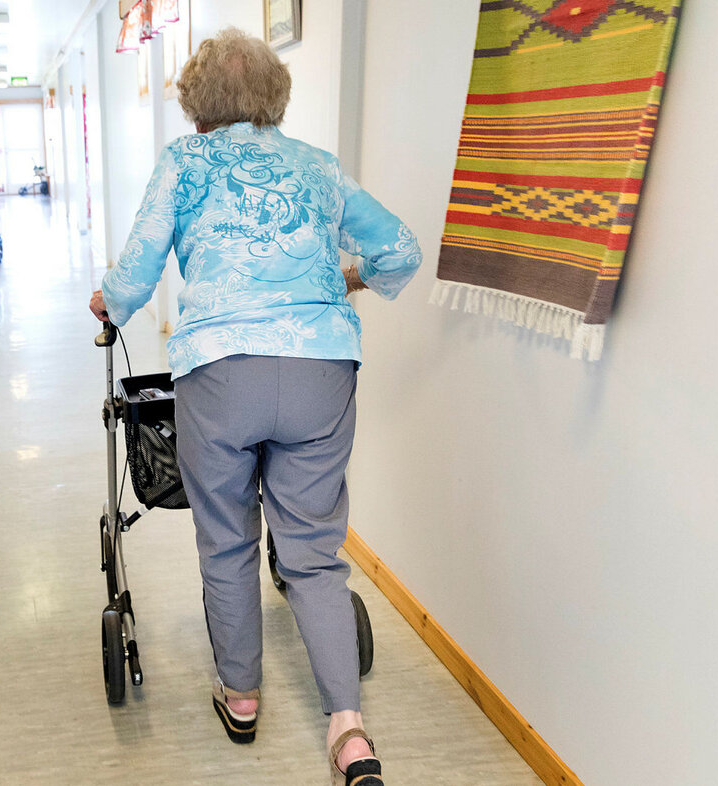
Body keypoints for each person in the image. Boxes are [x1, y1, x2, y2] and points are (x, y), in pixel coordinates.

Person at [88, 27, 420, 786]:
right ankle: (349, 730)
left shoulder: (185, 163)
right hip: (321, 372)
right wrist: (347, 279)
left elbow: (135, 271)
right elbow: (400, 249)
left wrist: (110, 300)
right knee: (312, 552)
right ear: (274, 94)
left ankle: (241, 696)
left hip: (221, 375)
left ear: (196, 102)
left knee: (227, 542)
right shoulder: (319, 167)